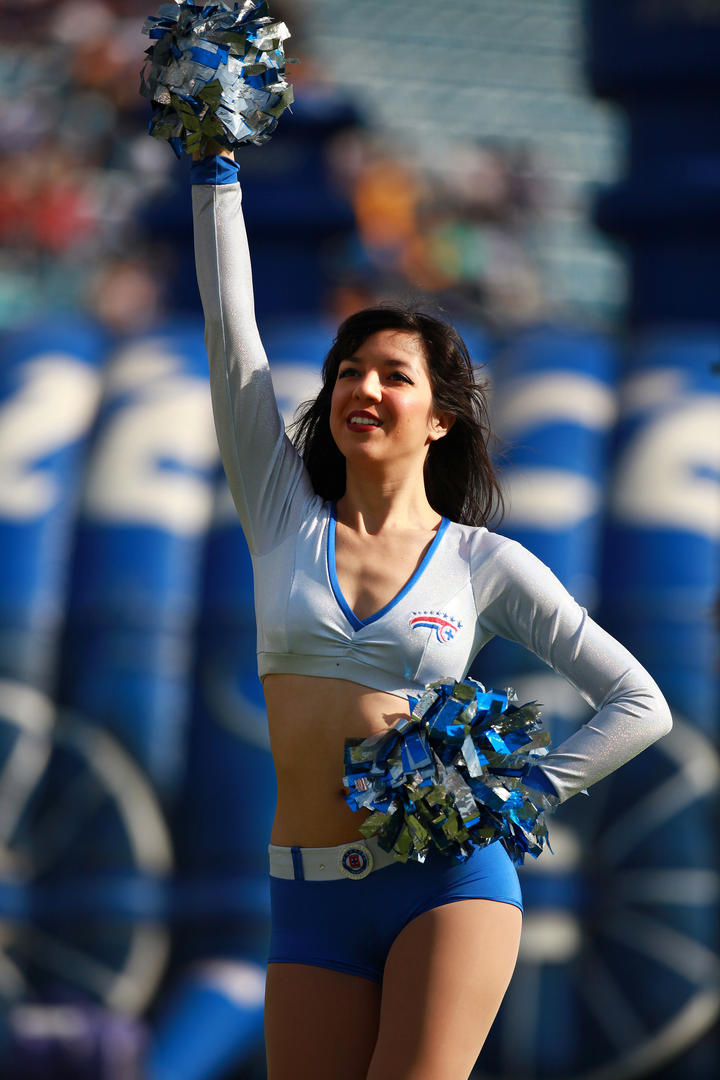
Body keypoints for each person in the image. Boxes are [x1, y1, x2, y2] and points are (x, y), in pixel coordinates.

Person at [190, 148, 672, 1080]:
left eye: (393, 376)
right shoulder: (281, 514)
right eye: (348, 371)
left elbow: (639, 702)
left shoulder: (484, 560)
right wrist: (218, 175)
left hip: (446, 886)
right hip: (306, 897)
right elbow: (231, 331)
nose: (363, 389)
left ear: (440, 417)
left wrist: (521, 793)